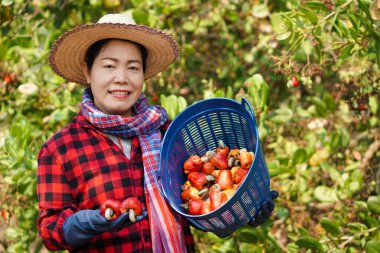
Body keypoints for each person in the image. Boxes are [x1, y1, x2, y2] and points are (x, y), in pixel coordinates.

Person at [37, 13, 278, 252]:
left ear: (143, 74)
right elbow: (50, 231)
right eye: (109, 66)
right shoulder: (60, 149)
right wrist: (85, 223)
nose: (121, 78)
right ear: (88, 72)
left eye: (133, 67)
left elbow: (196, 206)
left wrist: (242, 209)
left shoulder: (167, 132)